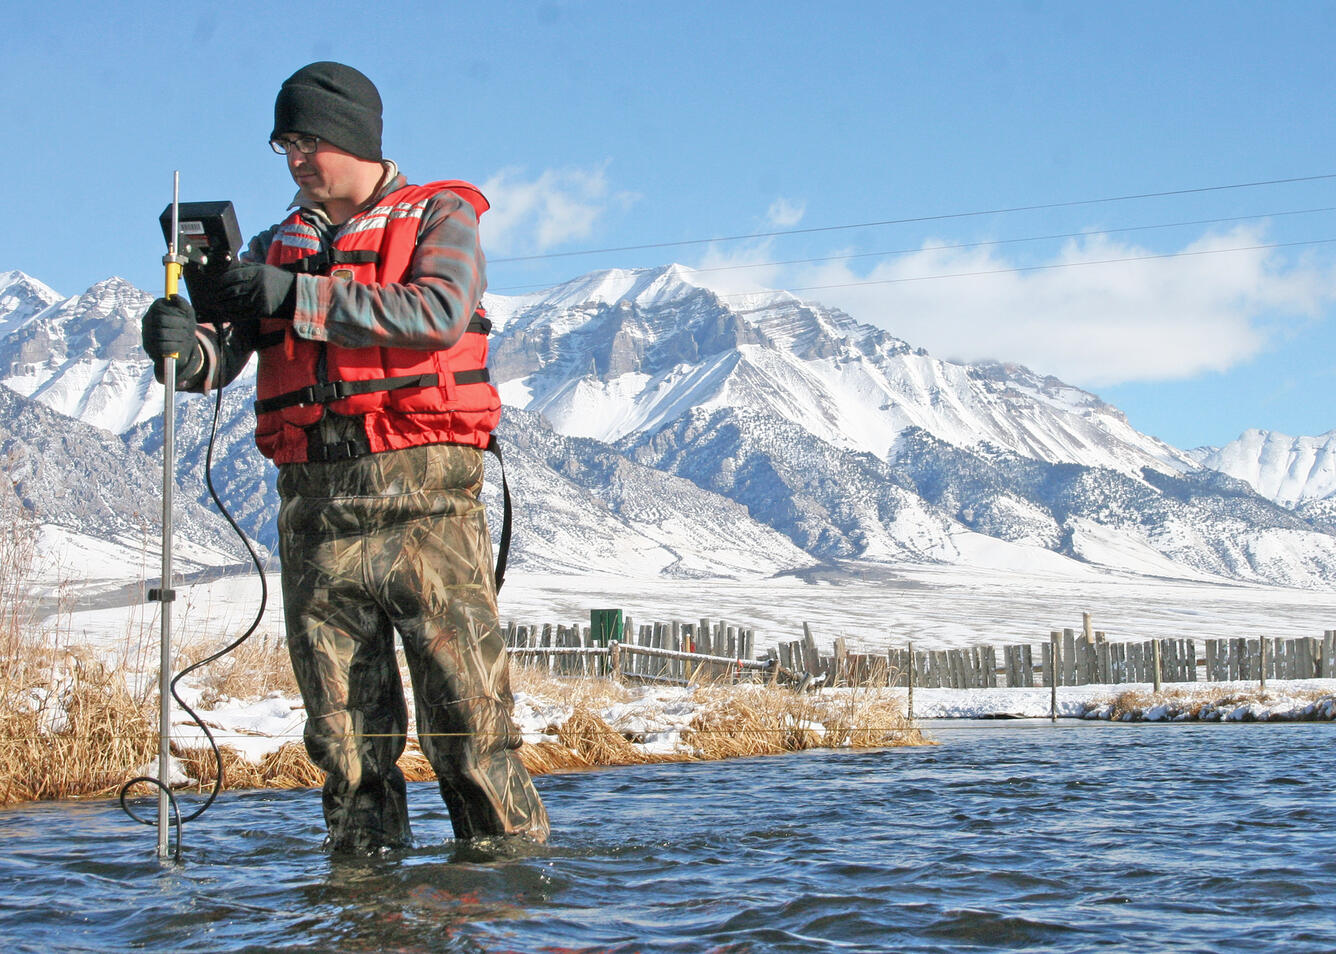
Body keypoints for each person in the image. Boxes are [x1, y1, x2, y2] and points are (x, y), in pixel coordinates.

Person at [140, 61, 549, 852]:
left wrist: (291, 296)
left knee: (472, 733)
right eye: (283, 144)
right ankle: (361, 914)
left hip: (429, 508)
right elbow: (215, 362)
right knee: (347, 753)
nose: (294, 159)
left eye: (309, 141)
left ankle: (508, 897)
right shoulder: (269, 249)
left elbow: (436, 312)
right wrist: (178, 348)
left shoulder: (441, 217)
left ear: (355, 138)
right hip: (314, 515)